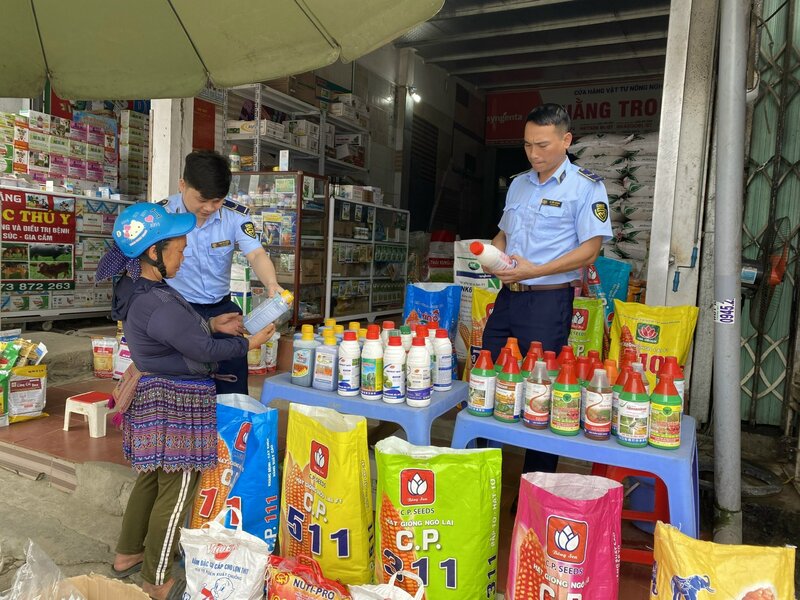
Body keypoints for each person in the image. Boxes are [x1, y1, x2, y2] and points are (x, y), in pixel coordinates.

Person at [98, 203, 276, 600]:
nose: (184, 256)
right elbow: (202, 350)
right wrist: (248, 342)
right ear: (153, 252)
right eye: (179, 249)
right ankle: (157, 578)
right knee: (178, 489)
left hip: (157, 395)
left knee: (152, 479)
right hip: (174, 402)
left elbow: (176, 332)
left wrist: (212, 322)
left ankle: (128, 554)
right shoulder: (156, 301)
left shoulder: (141, 289)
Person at [482, 103, 612, 477]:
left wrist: (535, 270)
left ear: (566, 140)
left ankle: (535, 483)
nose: (533, 154)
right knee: (488, 379)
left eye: (542, 145)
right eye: (527, 145)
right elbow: (504, 234)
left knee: (542, 390)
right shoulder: (519, 184)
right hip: (508, 297)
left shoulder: (586, 186)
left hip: (548, 301)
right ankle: (482, 473)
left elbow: (590, 251)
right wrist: (491, 256)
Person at [160, 150, 282, 395]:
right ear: (182, 185)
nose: (209, 208)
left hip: (221, 307)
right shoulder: (162, 216)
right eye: (202, 199)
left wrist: (272, 284)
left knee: (232, 375)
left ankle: (233, 417)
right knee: (184, 381)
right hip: (178, 308)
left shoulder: (235, 216)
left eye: (216, 201)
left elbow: (256, 254)